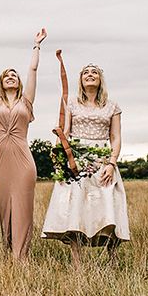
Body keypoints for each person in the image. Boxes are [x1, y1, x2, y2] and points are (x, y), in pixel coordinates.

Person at [41, 63, 130, 263]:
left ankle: (113, 258)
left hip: (102, 161)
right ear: (80, 80)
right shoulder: (71, 103)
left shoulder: (112, 105)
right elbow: (65, 132)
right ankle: (77, 262)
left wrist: (111, 163)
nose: (90, 75)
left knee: (108, 206)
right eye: (86, 73)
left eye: (94, 72)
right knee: (76, 207)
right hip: (77, 160)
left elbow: (115, 137)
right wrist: (61, 160)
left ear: (100, 80)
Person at [0, 28, 47, 260]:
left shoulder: (27, 102)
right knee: (5, 209)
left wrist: (36, 45)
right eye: (7, 75)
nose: (10, 77)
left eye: (14, 75)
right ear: (2, 82)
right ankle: (9, 252)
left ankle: (21, 257)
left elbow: (33, 70)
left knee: (23, 210)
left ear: (18, 82)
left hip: (24, 162)